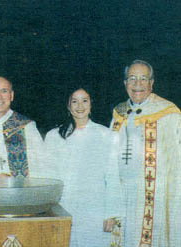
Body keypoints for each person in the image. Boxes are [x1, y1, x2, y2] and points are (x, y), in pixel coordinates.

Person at [110, 59, 181, 246]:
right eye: (132, 79)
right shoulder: (119, 112)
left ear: (152, 83)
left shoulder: (169, 114)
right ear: (125, 83)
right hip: (123, 191)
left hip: (153, 194)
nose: (137, 84)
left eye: (143, 79)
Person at [45, 87, 122, 247]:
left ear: (91, 104)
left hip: (94, 208)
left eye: (84, 100)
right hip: (64, 206)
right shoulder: (54, 136)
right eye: (74, 101)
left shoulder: (106, 135)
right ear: (68, 105)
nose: (80, 106)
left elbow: (113, 175)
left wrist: (112, 214)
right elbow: (48, 175)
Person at [0, 76, 44, 177]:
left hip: (21, 190)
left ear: (11, 96)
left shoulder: (27, 127)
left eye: (4, 91)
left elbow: (41, 165)